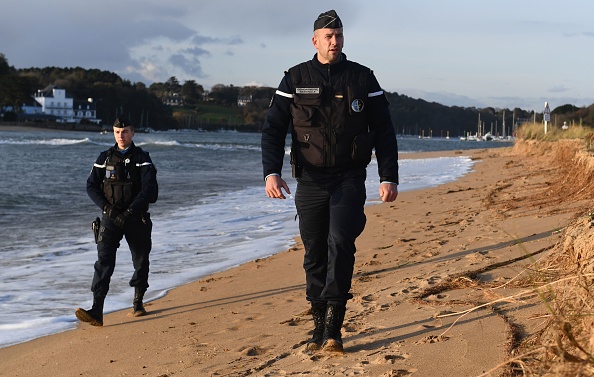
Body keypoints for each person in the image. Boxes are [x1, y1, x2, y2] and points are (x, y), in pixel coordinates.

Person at [261, 10, 399, 353]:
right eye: (328, 36)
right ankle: (318, 323)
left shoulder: (363, 78)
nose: (334, 42)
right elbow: (273, 130)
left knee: (341, 242)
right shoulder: (294, 78)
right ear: (315, 40)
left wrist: (388, 176)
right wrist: (271, 172)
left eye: (338, 35)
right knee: (314, 252)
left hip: (349, 177)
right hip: (309, 179)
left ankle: (334, 327)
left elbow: (384, 131)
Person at [76, 115, 158, 326]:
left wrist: (129, 212)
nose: (121, 136)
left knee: (140, 260)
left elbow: (149, 189)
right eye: (117, 132)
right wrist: (107, 209)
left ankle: (138, 302)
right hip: (110, 219)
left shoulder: (142, 157)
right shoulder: (104, 158)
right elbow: (91, 186)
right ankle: (96, 310)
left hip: (135, 218)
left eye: (125, 132)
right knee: (103, 262)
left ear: (132, 133)